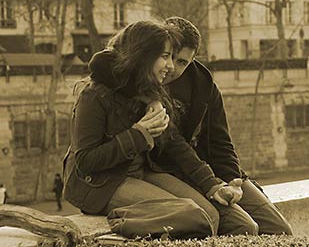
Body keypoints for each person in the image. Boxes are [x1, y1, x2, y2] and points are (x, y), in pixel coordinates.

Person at [63, 20, 241, 239]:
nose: (170, 66)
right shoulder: (94, 95)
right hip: (100, 184)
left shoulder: (148, 92)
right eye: (165, 56)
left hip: (138, 174)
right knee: (195, 216)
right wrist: (138, 134)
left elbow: (176, 144)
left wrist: (212, 185)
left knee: (211, 215)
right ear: (144, 56)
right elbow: (85, 162)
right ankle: (119, 228)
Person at [150, 16, 293, 236]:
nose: (172, 68)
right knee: (245, 228)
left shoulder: (204, 85)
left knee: (280, 230)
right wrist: (211, 184)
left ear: (193, 60)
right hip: (176, 174)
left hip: (210, 171)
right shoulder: (149, 83)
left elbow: (220, 141)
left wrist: (232, 180)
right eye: (171, 58)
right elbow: (172, 145)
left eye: (183, 62)